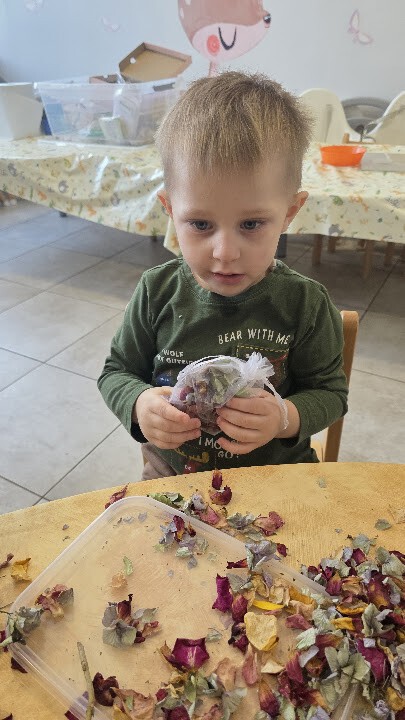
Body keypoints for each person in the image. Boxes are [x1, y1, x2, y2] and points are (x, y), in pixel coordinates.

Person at [98, 71, 348, 480]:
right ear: (170, 209)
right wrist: (140, 405)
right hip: (175, 478)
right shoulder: (157, 292)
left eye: (251, 224)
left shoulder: (305, 304)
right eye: (200, 224)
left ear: (289, 212)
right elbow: (116, 372)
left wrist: (284, 417)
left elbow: (331, 394)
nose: (225, 253)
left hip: (277, 477)